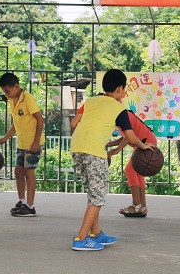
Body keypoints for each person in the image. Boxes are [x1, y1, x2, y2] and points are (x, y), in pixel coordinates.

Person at [70, 69, 154, 251]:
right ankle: (81, 238)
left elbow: (74, 124)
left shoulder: (91, 101)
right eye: (124, 90)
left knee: (93, 195)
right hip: (94, 151)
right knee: (98, 198)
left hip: (77, 148)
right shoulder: (119, 108)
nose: (124, 93)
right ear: (119, 89)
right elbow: (131, 137)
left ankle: (96, 233)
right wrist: (143, 146)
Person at [0, 73, 46, 217]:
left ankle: (30, 206)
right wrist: (6, 137)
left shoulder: (28, 99)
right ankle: (21, 201)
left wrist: (36, 142)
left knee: (29, 173)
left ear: (16, 86)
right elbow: (16, 122)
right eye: (4, 92)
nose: (6, 94)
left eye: (7, 91)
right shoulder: (12, 100)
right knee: (18, 172)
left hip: (33, 144)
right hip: (22, 143)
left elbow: (40, 120)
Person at [107, 109, 158, 218]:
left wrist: (115, 150)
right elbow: (125, 136)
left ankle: (136, 205)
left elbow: (129, 136)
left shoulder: (121, 115)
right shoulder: (120, 116)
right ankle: (143, 208)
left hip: (146, 142)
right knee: (137, 173)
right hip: (146, 141)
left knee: (129, 170)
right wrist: (108, 144)